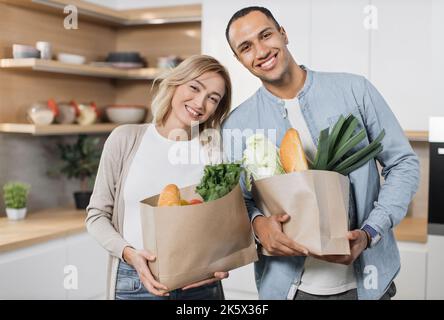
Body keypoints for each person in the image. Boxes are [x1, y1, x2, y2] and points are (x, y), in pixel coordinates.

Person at [222, 6, 420, 300]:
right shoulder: (237, 124)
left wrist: (369, 232)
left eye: (266, 35)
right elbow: (240, 201)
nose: (261, 51)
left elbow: (403, 164)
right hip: (290, 290)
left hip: (368, 283)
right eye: (246, 47)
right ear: (239, 60)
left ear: (283, 34)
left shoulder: (354, 90)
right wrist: (258, 225)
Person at [86, 55, 232, 300]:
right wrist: (130, 254)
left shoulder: (214, 150)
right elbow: (96, 215)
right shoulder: (126, 139)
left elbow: (226, 224)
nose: (200, 103)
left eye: (213, 99)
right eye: (194, 88)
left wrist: (221, 261)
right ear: (175, 84)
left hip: (200, 285)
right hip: (135, 283)